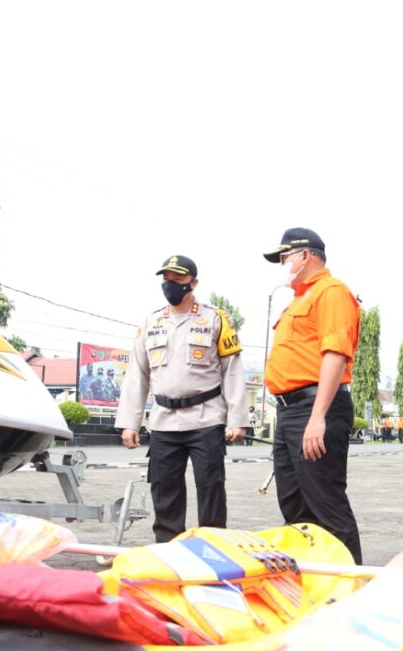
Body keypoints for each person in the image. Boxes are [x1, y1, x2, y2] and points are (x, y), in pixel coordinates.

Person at [116, 255, 247, 543]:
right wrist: (130, 423)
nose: (171, 285)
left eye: (177, 279)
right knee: (164, 491)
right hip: (164, 421)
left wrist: (237, 420)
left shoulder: (215, 319)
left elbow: (233, 372)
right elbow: (137, 375)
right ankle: (167, 549)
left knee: (211, 488)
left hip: (206, 418)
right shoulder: (151, 322)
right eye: (166, 279)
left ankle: (214, 547)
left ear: (193, 283)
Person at [262, 228, 362, 563]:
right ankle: (313, 583)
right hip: (290, 411)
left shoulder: (331, 292)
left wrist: (318, 417)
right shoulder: (298, 300)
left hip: (315, 407)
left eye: (284, 257)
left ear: (306, 255)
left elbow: (335, 353)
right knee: (294, 505)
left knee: (325, 503)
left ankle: (351, 587)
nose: (281, 264)